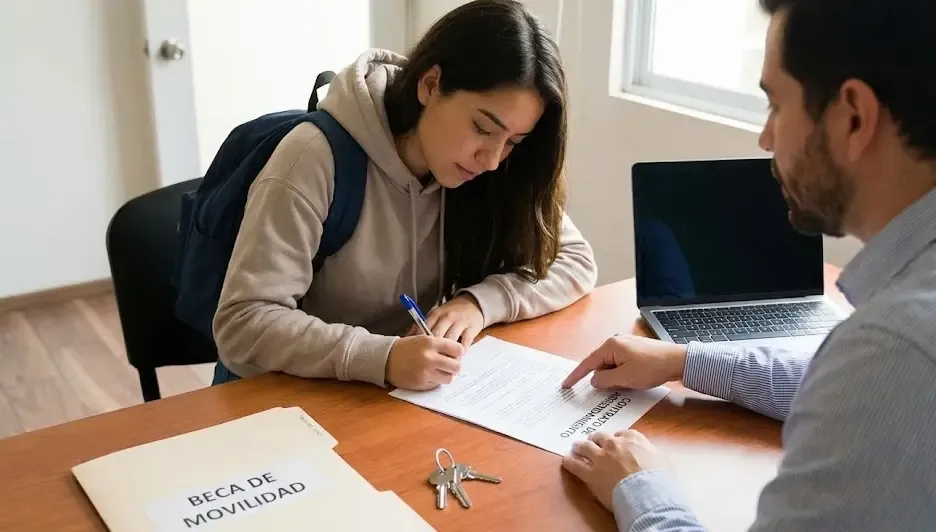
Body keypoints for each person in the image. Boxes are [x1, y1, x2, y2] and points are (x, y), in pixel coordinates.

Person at [561, 0, 936, 530]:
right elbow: (842, 383)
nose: (765, 137)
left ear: (854, 117)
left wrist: (643, 490)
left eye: (776, 105)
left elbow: (878, 377)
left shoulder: (894, 351)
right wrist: (683, 361)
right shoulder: (892, 352)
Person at [209, 0, 597, 391]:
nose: (493, 159)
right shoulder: (313, 157)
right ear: (430, 85)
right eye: (482, 128)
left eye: (513, 141)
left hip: (384, 395)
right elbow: (243, 322)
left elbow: (575, 260)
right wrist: (382, 357)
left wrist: (479, 304)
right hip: (284, 396)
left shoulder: (483, 170)